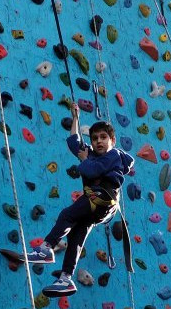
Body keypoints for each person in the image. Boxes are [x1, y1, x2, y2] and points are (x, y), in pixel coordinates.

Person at [24, 103, 134, 297]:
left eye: (103, 137)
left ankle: (46, 247)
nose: (99, 141)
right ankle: (66, 279)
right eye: (94, 138)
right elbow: (74, 142)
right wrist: (75, 118)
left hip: (102, 198)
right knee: (75, 235)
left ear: (113, 140)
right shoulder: (91, 154)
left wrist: (85, 160)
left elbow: (92, 169)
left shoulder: (114, 155)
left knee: (67, 214)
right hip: (96, 205)